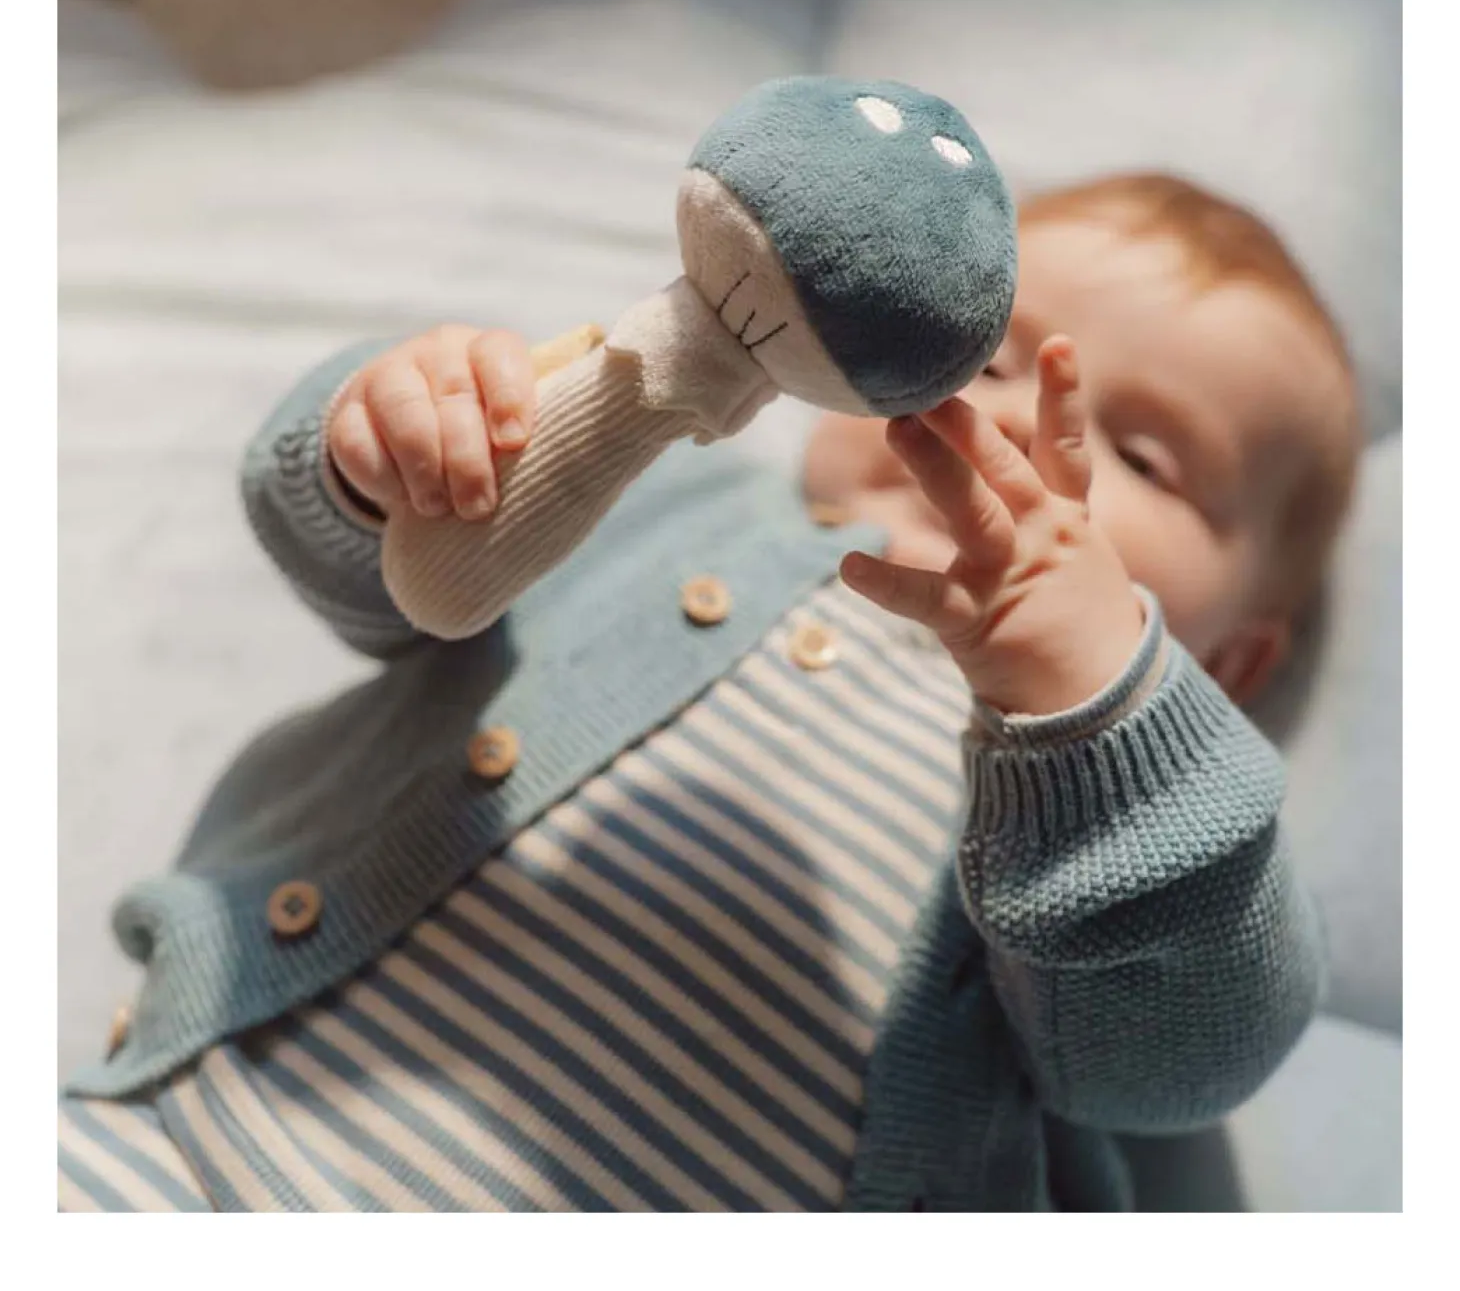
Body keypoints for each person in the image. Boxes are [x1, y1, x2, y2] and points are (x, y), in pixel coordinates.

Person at [57, 171, 1360, 1214]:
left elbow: (1183, 1060)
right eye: (981, 357)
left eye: (1142, 457)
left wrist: (1101, 715)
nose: (1018, 427)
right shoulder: (665, 495)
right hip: (198, 1147)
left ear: (1236, 660)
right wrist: (397, 451)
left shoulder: (1156, 825)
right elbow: (387, 580)